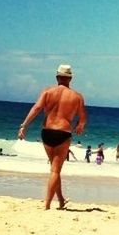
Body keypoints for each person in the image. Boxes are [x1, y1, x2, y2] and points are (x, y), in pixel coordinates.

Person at [17, 63, 88, 209]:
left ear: (57, 77)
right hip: (63, 133)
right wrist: (79, 126)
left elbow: (36, 108)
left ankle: (61, 200)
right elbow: (82, 118)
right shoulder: (77, 96)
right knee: (55, 170)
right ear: (70, 78)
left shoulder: (47, 91)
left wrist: (24, 125)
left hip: (47, 132)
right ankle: (47, 205)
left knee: (54, 170)